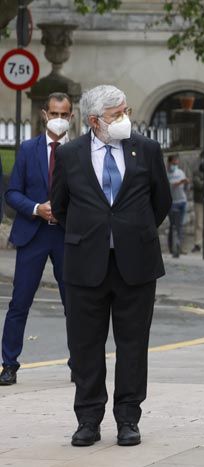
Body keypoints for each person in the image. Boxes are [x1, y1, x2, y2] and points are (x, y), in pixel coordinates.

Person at [51, 85, 171, 447]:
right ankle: (88, 419)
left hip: (136, 263)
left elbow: (160, 201)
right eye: (117, 114)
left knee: (133, 345)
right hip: (85, 264)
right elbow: (60, 206)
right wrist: (94, 231)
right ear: (94, 121)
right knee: (85, 347)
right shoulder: (70, 154)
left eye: (126, 110)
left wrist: (132, 229)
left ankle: (128, 419)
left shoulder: (146, 149)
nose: (125, 118)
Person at [0, 92, 73, 386]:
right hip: (33, 234)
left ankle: (79, 363)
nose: (58, 119)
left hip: (67, 235)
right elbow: (12, 192)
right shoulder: (28, 149)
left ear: (71, 117)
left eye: (64, 114)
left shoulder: (80, 150)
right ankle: (9, 364)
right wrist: (36, 209)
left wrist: (64, 210)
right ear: (44, 114)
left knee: (75, 304)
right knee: (20, 302)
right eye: (54, 113)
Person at [166, 154, 188, 258]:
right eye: (174, 163)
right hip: (172, 203)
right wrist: (180, 182)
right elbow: (171, 186)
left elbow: (185, 186)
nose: (175, 165)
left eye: (176, 163)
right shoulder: (167, 174)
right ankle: (172, 247)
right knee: (173, 226)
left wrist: (185, 182)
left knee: (179, 226)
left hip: (182, 202)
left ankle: (178, 247)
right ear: (169, 163)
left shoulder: (180, 172)